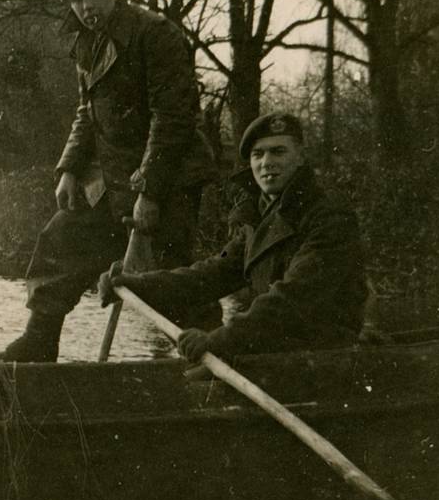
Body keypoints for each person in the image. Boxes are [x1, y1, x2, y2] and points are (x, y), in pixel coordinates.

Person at [0, 0, 216, 363]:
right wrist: (70, 168)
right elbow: (86, 113)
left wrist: (151, 192)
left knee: (172, 279)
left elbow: (172, 120)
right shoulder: (87, 45)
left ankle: (214, 359)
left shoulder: (156, 35)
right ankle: (38, 344)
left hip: (168, 178)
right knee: (60, 243)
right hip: (111, 180)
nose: (86, 6)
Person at [97, 113, 368, 362]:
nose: (266, 163)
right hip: (276, 352)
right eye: (257, 154)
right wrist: (137, 285)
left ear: (300, 157)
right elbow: (211, 275)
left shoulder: (329, 216)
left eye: (278, 152)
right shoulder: (258, 218)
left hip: (326, 357)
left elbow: (292, 299)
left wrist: (218, 339)